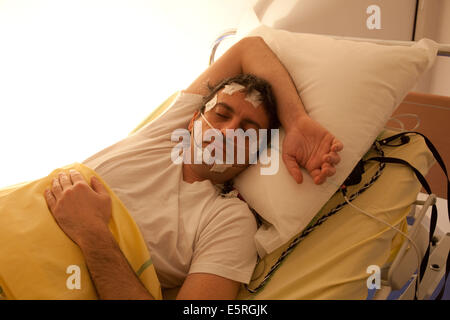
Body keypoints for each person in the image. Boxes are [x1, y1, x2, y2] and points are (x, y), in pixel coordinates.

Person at [43, 36, 343, 300]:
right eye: (222, 114)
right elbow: (249, 48)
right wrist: (298, 121)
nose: (228, 133)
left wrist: (92, 232)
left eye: (248, 131)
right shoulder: (162, 137)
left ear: (256, 154)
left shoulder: (228, 221)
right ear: (192, 120)